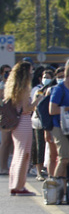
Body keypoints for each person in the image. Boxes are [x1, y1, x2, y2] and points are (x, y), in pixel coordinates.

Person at [46, 62, 69, 194]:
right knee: (64, 158)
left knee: (68, 158)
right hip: (59, 127)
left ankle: (63, 189)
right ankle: (53, 188)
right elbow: (52, 110)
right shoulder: (59, 88)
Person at [5, 62, 38, 196]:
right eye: (30, 71)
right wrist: (37, 100)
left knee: (18, 154)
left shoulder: (13, 87)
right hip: (24, 122)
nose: (32, 73)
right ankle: (19, 185)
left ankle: (14, 184)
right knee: (24, 154)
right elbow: (26, 109)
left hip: (16, 123)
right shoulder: (25, 88)